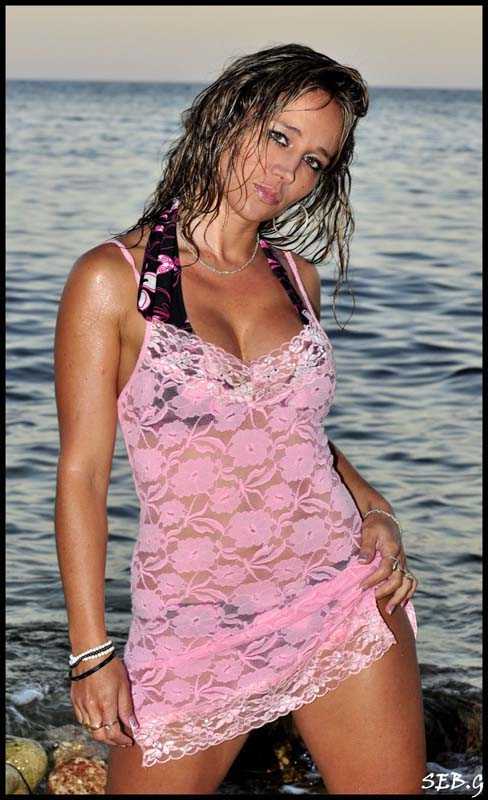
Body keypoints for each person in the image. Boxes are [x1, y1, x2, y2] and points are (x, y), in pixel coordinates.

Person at [54, 43, 427, 795]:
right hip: (193, 621)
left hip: (335, 589)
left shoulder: (294, 279)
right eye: (280, 136)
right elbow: (83, 476)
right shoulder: (117, 280)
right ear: (228, 115)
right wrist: (91, 651)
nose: (288, 171)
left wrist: (375, 509)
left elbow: (296, 436)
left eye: (314, 160)